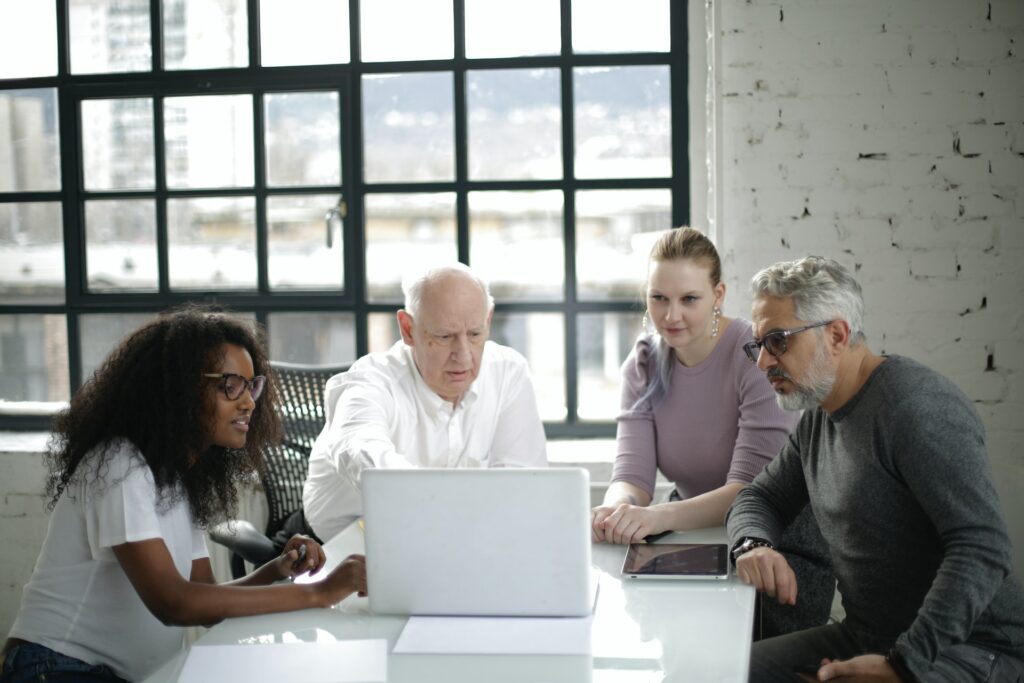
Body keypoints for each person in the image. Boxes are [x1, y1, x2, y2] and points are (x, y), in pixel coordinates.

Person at [0, 305, 367, 683]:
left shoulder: (176, 479)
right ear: (179, 389)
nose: (249, 402)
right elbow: (173, 603)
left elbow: (204, 601)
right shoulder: (120, 465)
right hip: (53, 667)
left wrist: (276, 570)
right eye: (231, 385)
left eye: (251, 385)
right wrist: (320, 593)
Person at [728, 256, 1024, 682]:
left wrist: (902, 664)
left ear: (836, 335)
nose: (762, 363)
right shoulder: (819, 415)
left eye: (777, 341)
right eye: (758, 345)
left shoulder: (916, 408)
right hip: (869, 636)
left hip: (971, 649)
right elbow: (760, 497)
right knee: (724, 670)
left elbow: (983, 546)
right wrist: (753, 544)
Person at [590, 227, 834, 637]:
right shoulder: (645, 361)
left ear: (718, 295)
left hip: (774, 543)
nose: (670, 316)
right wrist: (618, 511)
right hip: (690, 538)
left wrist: (649, 518)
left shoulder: (754, 355)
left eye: (689, 299)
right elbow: (632, 477)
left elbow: (749, 492)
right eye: (658, 299)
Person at [303, 262, 547, 542]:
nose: (464, 356)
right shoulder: (369, 382)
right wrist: (448, 509)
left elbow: (522, 484)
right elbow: (360, 453)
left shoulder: (508, 372)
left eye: (475, 334)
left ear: (488, 321)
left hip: (448, 543)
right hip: (338, 550)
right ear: (408, 329)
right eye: (444, 337)